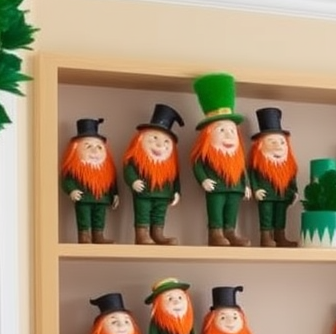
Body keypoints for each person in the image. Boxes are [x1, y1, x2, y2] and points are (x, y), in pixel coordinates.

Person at [191, 72, 252, 247]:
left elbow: (242, 169)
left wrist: (246, 185)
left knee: (232, 211)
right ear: (208, 135)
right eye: (222, 130)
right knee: (216, 210)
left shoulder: (237, 155)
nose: (228, 135)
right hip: (216, 187)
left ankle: (230, 232)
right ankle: (215, 233)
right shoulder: (206, 154)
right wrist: (203, 179)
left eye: (232, 131)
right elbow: (197, 165)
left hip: (235, 188)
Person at [122, 103, 184, 244]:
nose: (160, 145)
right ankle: (141, 235)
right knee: (142, 213)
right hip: (143, 192)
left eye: (166, 141)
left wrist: (176, 192)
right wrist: (133, 181)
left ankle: (157, 234)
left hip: (163, 194)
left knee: (159, 215)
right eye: (155, 138)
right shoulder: (137, 159)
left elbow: (175, 177)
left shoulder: (170, 164)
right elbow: (129, 168)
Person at [59, 117, 119, 243]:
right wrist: (72, 190)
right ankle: (84, 236)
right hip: (83, 198)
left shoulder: (107, 169)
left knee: (100, 217)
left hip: (102, 199)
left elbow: (112, 182)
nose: (94, 150)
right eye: (88, 146)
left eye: (99, 147)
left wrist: (115, 194)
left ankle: (98, 236)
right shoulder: (74, 169)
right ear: (75, 149)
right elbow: (67, 180)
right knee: (83, 217)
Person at [249, 106, 298, 247]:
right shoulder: (258, 164)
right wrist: (256, 189)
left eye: (282, 142)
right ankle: (265, 237)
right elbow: (252, 176)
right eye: (273, 142)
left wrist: (294, 191)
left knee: (281, 217)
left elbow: (292, 178)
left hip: (283, 195)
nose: (279, 146)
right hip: (266, 194)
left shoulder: (289, 165)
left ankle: (280, 236)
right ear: (260, 145)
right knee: (266, 215)